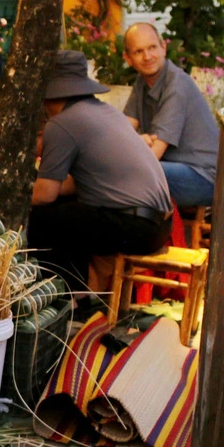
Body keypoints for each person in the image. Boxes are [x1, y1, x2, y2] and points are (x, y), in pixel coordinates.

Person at [28, 50, 173, 289]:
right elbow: (80, 183)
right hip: (158, 225)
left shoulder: (62, 123)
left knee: (38, 221)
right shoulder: (106, 111)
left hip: (137, 228)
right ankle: (82, 290)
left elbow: (45, 194)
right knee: (65, 213)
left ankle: (65, 295)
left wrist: (11, 196)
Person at [122, 23, 219, 208]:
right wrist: (136, 140)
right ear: (128, 58)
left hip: (204, 177)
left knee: (132, 172)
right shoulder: (142, 82)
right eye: (138, 51)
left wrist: (133, 142)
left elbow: (153, 154)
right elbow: (123, 131)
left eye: (152, 48)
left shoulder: (177, 84)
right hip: (172, 168)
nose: (147, 57)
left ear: (163, 48)